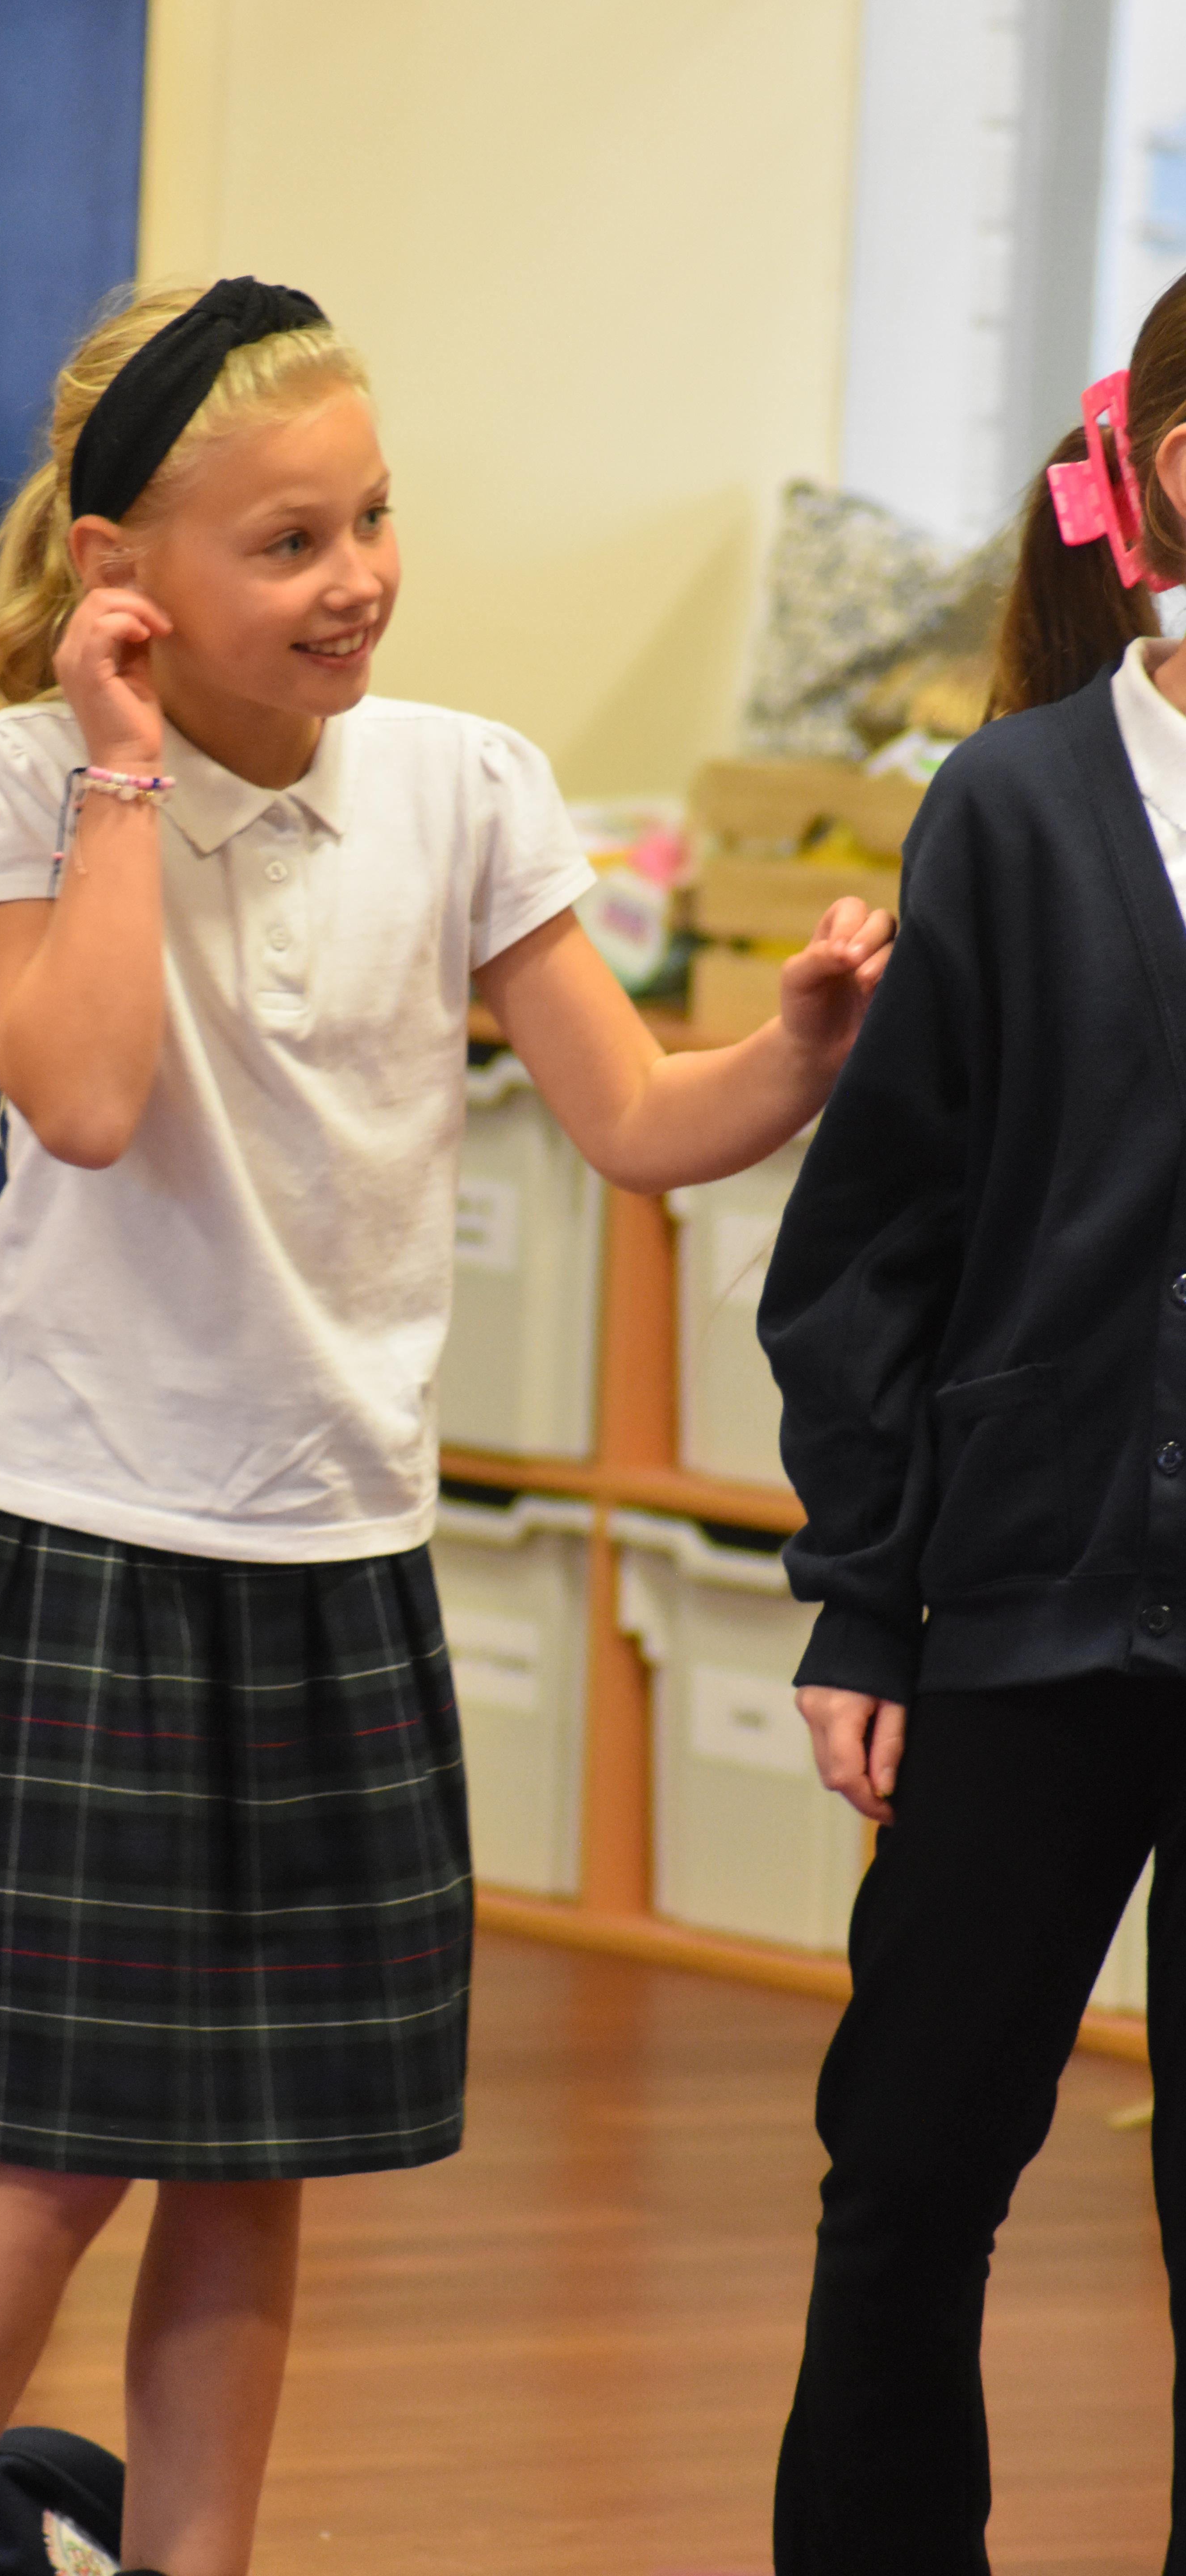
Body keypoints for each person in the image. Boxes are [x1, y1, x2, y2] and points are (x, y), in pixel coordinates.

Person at [0, 275, 894, 2576]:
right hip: (86, 1535)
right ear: (123, 576)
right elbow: (88, 1098)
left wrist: (802, 1041)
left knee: (253, 2154)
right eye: (289, 542)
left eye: (374, 518)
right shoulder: (29, 777)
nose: (358, 578)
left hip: (334, 1546)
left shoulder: (467, 783)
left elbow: (637, 1121)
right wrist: (122, 765)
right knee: (48, 2150)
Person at [763, 263, 1186, 2575]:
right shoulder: (1012, 812)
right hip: (1032, 1606)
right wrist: (864, 1601)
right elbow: (875, 1246)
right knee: (914, 2172)